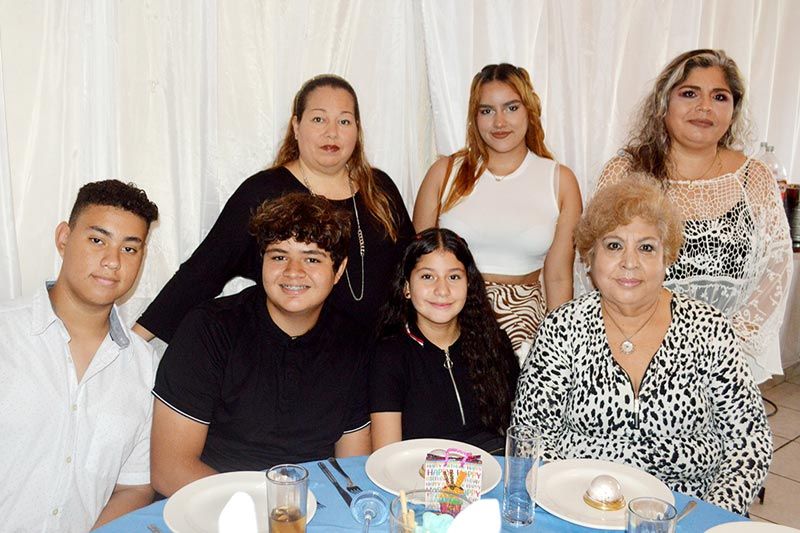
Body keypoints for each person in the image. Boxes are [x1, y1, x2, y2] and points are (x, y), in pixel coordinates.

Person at [512, 178, 771, 515]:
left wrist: (710, 516)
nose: (629, 262)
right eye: (614, 245)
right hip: (579, 506)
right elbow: (531, 436)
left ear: (667, 257)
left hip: (686, 511)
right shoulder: (563, 327)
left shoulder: (710, 329)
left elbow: (749, 444)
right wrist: (562, 505)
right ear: (590, 256)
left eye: (646, 248)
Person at [135, 74, 414, 343]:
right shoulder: (263, 192)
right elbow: (202, 273)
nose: (332, 132)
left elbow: (413, 267)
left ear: (357, 129)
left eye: (344, 121)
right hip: (303, 358)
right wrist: (133, 346)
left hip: (383, 354)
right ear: (296, 126)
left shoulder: (380, 188)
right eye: (318, 119)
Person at [150, 193, 371, 497]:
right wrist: (269, 510)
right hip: (212, 504)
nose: (293, 271)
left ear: (339, 270)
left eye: (312, 258)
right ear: (262, 262)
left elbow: (350, 469)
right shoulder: (209, 329)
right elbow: (169, 470)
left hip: (314, 505)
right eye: (279, 256)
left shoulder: (353, 342)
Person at [595, 49, 793, 383]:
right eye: (689, 93)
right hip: (632, 356)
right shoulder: (625, 172)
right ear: (663, 104)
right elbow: (597, 265)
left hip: (726, 362)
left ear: (733, 110)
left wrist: (721, 350)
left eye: (719, 97)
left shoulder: (754, 178)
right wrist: (641, 345)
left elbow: (775, 271)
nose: (705, 107)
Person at [0, 180, 160, 531]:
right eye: (97, 240)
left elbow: (134, 487)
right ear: (63, 238)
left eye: (129, 249)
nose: (112, 261)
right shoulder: (6, 335)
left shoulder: (144, 366)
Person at [413, 63, 582, 361]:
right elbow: (416, 264)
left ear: (529, 110)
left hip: (526, 331)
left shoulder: (559, 180)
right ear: (474, 117)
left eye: (511, 108)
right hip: (448, 317)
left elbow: (558, 278)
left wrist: (561, 347)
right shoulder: (444, 173)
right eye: (487, 110)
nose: (499, 121)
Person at [370, 228, 519, 454]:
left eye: (454, 277)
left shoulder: (493, 342)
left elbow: (519, 430)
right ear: (406, 287)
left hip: (494, 466)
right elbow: (387, 454)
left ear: (469, 284)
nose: (442, 290)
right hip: (420, 471)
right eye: (427, 277)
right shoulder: (389, 356)